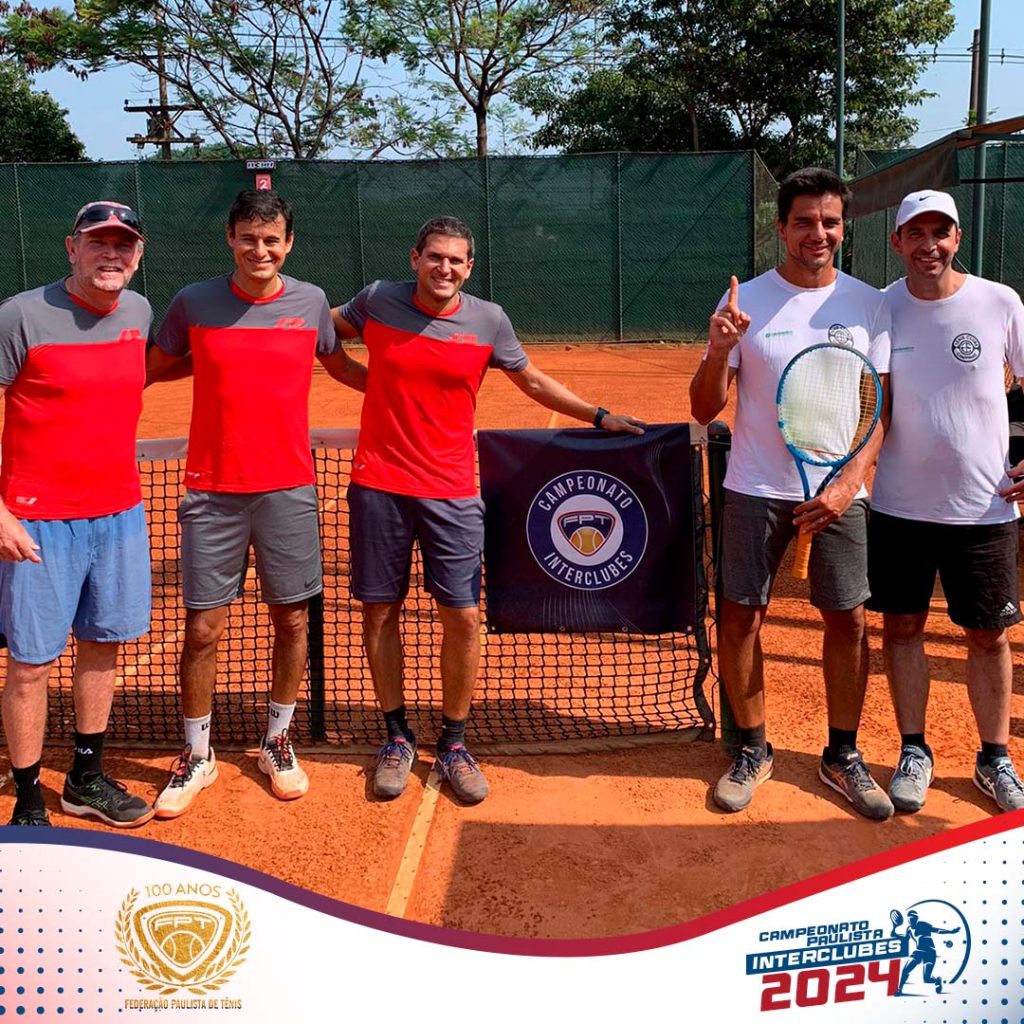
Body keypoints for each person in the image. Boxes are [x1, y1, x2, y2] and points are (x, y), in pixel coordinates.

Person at [333, 215, 643, 804]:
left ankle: (453, 743)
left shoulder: (489, 319)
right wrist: (361, 379)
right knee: (379, 612)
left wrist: (599, 416)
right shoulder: (376, 301)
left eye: (456, 260)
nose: (444, 267)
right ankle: (396, 737)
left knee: (463, 617)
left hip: (452, 490)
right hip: (379, 484)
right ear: (415, 258)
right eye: (434, 256)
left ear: (469, 267)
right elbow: (322, 334)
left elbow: (533, 382)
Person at [146, 190, 366, 818]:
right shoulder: (193, 303)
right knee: (202, 628)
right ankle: (198, 753)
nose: (260, 250)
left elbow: (340, 366)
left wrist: (409, 390)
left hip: (288, 489)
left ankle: (277, 741)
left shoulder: (311, 302)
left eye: (271, 240)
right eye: (248, 238)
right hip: (210, 490)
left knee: (292, 621)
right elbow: (151, 367)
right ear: (230, 238)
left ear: (288, 244)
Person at [689, 167, 894, 819]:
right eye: (804, 221)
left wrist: (850, 482)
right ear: (781, 227)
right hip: (754, 488)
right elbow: (703, 408)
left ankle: (841, 754)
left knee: (849, 620)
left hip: (840, 494)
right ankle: (752, 749)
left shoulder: (870, 304)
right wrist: (718, 351)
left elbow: (878, 407)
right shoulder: (744, 301)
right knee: (741, 618)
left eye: (829, 221)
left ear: (843, 229)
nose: (818, 233)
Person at [869, 189, 1024, 814]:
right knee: (902, 628)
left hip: (985, 507)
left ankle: (995, 758)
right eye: (916, 233)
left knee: (988, 635)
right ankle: (914, 750)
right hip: (898, 507)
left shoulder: (1000, 301)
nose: (928, 245)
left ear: (957, 238)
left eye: (940, 232)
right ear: (897, 241)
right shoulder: (882, 306)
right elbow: (876, 399)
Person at [0, 201, 155, 827]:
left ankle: (84, 781)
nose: (110, 254)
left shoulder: (139, 312)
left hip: (119, 516)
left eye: (123, 245)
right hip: (38, 522)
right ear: (72, 248)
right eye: (98, 243)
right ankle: (29, 800)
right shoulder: (20, 315)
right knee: (31, 664)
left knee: (102, 647)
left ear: (137, 255)